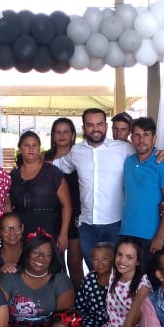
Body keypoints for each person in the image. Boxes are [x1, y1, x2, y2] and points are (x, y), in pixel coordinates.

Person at [51, 108, 134, 267]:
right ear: (83, 128)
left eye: (99, 124)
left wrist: (161, 153)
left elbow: (145, 157)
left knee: (119, 271)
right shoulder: (76, 151)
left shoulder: (123, 149)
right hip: (87, 226)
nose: (95, 129)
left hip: (116, 223)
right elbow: (58, 166)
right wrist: (31, 164)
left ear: (105, 126)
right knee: (95, 272)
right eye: (90, 125)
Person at [0, 231, 74, 327]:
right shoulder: (9, 276)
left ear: (53, 257)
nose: (41, 257)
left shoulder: (60, 280)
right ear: (27, 253)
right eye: (36, 252)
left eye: (47, 254)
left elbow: (62, 319)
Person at [85, 238, 153, 327]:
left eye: (129, 257)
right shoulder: (115, 273)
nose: (122, 260)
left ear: (138, 262)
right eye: (119, 255)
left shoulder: (142, 288)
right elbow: (98, 270)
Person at [120, 116, 164, 254]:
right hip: (126, 232)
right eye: (137, 135)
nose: (141, 140)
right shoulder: (128, 161)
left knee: (149, 274)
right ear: (131, 138)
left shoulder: (163, 164)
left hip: (150, 236)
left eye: (146, 135)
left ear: (154, 138)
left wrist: (160, 236)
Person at [9, 130, 71, 251]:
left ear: (39, 148)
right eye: (27, 145)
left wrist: (63, 233)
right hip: (21, 229)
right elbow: (8, 204)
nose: (31, 149)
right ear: (20, 149)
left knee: (50, 263)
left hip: (49, 226)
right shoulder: (13, 175)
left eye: (34, 145)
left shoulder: (53, 172)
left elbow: (67, 205)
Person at [44, 117, 84, 287]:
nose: (61, 135)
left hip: (76, 213)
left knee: (74, 264)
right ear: (53, 135)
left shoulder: (80, 155)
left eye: (66, 131)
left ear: (73, 135)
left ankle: (79, 304)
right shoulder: (44, 157)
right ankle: (61, 304)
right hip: (52, 214)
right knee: (55, 264)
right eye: (57, 132)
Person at [75, 242, 114, 327]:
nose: (100, 263)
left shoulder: (119, 281)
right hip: (91, 323)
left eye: (105, 259)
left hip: (114, 326)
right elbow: (79, 308)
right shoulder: (88, 280)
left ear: (112, 260)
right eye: (95, 259)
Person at [0, 211, 24, 276]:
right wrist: (0, 272)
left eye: (16, 228)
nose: (12, 232)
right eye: (6, 229)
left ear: (22, 228)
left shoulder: (31, 252)